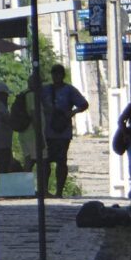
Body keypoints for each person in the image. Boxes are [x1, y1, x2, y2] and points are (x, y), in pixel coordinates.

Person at [41, 64, 89, 197]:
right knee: (45, 161)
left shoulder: (69, 90)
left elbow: (84, 104)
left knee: (61, 161)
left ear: (62, 75)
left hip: (63, 131)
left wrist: (72, 113)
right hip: (47, 131)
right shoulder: (46, 90)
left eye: (58, 74)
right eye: (54, 74)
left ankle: (59, 191)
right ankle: (45, 190)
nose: (56, 76)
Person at [0, 82, 15, 174]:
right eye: (6, 95)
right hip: (2, 146)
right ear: (2, 95)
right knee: (4, 170)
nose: (7, 97)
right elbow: (10, 121)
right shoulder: (0, 106)